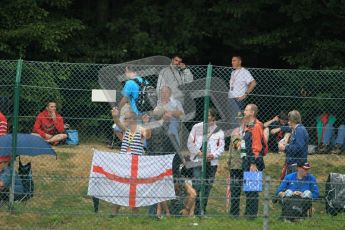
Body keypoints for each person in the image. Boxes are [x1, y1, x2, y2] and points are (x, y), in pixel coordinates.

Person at [111, 107, 151, 214]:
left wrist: (147, 124)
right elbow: (118, 123)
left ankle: (134, 210)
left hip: (135, 163)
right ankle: (115, 209)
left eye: (126, 118)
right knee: (120, 185)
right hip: (124, 162)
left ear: (132, 119)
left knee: (133, 186)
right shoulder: (126, 130)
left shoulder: (141, 129)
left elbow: (148, 135)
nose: (124, 121)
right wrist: (115, 116)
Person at [187, 107, 225, 216]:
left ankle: (202, 210)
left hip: (211, 163)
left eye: (208, 115)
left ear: (213, 117)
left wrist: (213, 155)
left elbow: (221, 148)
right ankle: (193, 211)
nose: (206, 117)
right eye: (205, 114)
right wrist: (198, 153)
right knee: (197, 185)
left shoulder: (219, 131)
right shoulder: (196, 127)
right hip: (198, 161)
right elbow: (190, 143)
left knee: (207, 187)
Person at [242, 104, 265, 219]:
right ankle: (248, 213)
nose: (244, 111)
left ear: (252, 113)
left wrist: (253, 163)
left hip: (253, 162)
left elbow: (256, 147)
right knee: (248, 189)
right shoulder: (248, 126)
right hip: (248, 160)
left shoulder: (256, 126)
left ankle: (251, 216)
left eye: (246, 110)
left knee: (253, 190)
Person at [279, 110, 309, 176]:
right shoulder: (296, 130)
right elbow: (296, 146)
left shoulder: (299, 130)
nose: (288, 122)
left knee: (292, 185)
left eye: (289, 120)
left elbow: (299, 147)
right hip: (294, 163)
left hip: (297, 164)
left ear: (292, 120)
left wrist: (285, 147)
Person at [228, 113, 245, 217]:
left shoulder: (254, 129)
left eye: (241, 119)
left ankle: (250, 215)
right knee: (235, 190)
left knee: (252, 191)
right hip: (236, 165)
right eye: (238, 119)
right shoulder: (235, 131)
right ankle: (234, 213)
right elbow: (233, 146)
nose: (240, 121)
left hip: (251, 165)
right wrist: (229, 160)